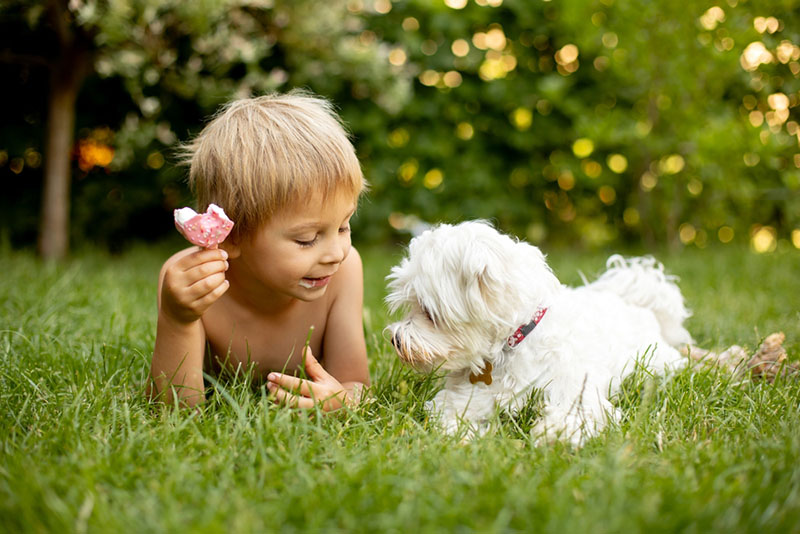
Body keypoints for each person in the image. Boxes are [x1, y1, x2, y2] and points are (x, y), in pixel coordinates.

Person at [150, 90, 370, 410]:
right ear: (230, 236)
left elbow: (356, 384)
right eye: (307, 238)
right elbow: (173, 410)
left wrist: (342, 401)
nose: (336, 252)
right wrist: (177, 319)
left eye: (343, 226)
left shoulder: (344, 271)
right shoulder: (189, 283)